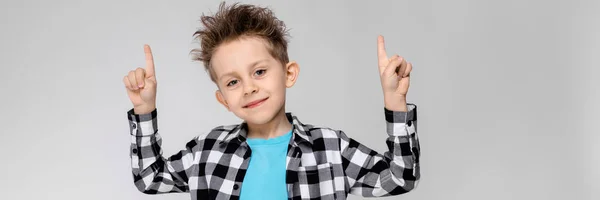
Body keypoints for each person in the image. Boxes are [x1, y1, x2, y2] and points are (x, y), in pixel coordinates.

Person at [123, 2, 419, 200]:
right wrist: (144, 109)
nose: (249, 88)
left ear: (289, 73)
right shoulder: (207, 150)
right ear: (223, 99)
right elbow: (150, 178)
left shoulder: (330, 147)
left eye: (260, 72)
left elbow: (400, 177)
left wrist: (395, 102)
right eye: (233, 82)